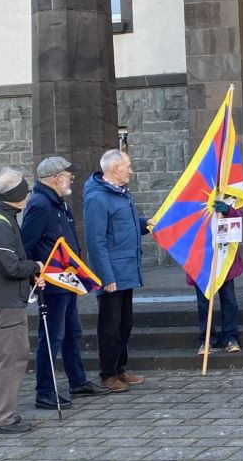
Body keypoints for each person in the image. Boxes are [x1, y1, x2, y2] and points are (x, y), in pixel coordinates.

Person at [20, 156, 109, 410]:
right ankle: (44, 391)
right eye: (68, 175)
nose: (71, 178)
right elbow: (27, 244)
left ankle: (77, 380)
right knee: (52, 336)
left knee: (72, 332)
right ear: (56, 178)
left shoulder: (59, 203)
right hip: (52, 282)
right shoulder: (40, 204)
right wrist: (33, 275)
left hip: (67, 280)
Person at [0, 169, 43, 434]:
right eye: (26, 191)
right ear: (16, 196)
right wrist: (36, 266)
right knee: (13, 357)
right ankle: (1, 418)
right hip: (5, 301)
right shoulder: (0, 224)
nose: (28, 195)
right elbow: (11, 267)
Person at [83, 149, 149, 394]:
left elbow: (126, 225)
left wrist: (147, 224)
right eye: (127, 166)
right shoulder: (97, 199)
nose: (131, 170)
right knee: (109, 327)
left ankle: (119, 368)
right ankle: (107, 374)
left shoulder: (122, 194)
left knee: (125, 323)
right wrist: (105, 277)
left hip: (127, 269)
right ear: (114, 169)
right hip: (112, 274)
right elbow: (95, 241)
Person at [191, 201, 243, 355]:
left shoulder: (228, 193)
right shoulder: (192, 197)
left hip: (223, 256)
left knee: (229, 300)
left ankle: (230, 337)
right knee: (203, 303)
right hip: (200, 258)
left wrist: (228, 210)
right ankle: (207, 339)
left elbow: (238, 218)